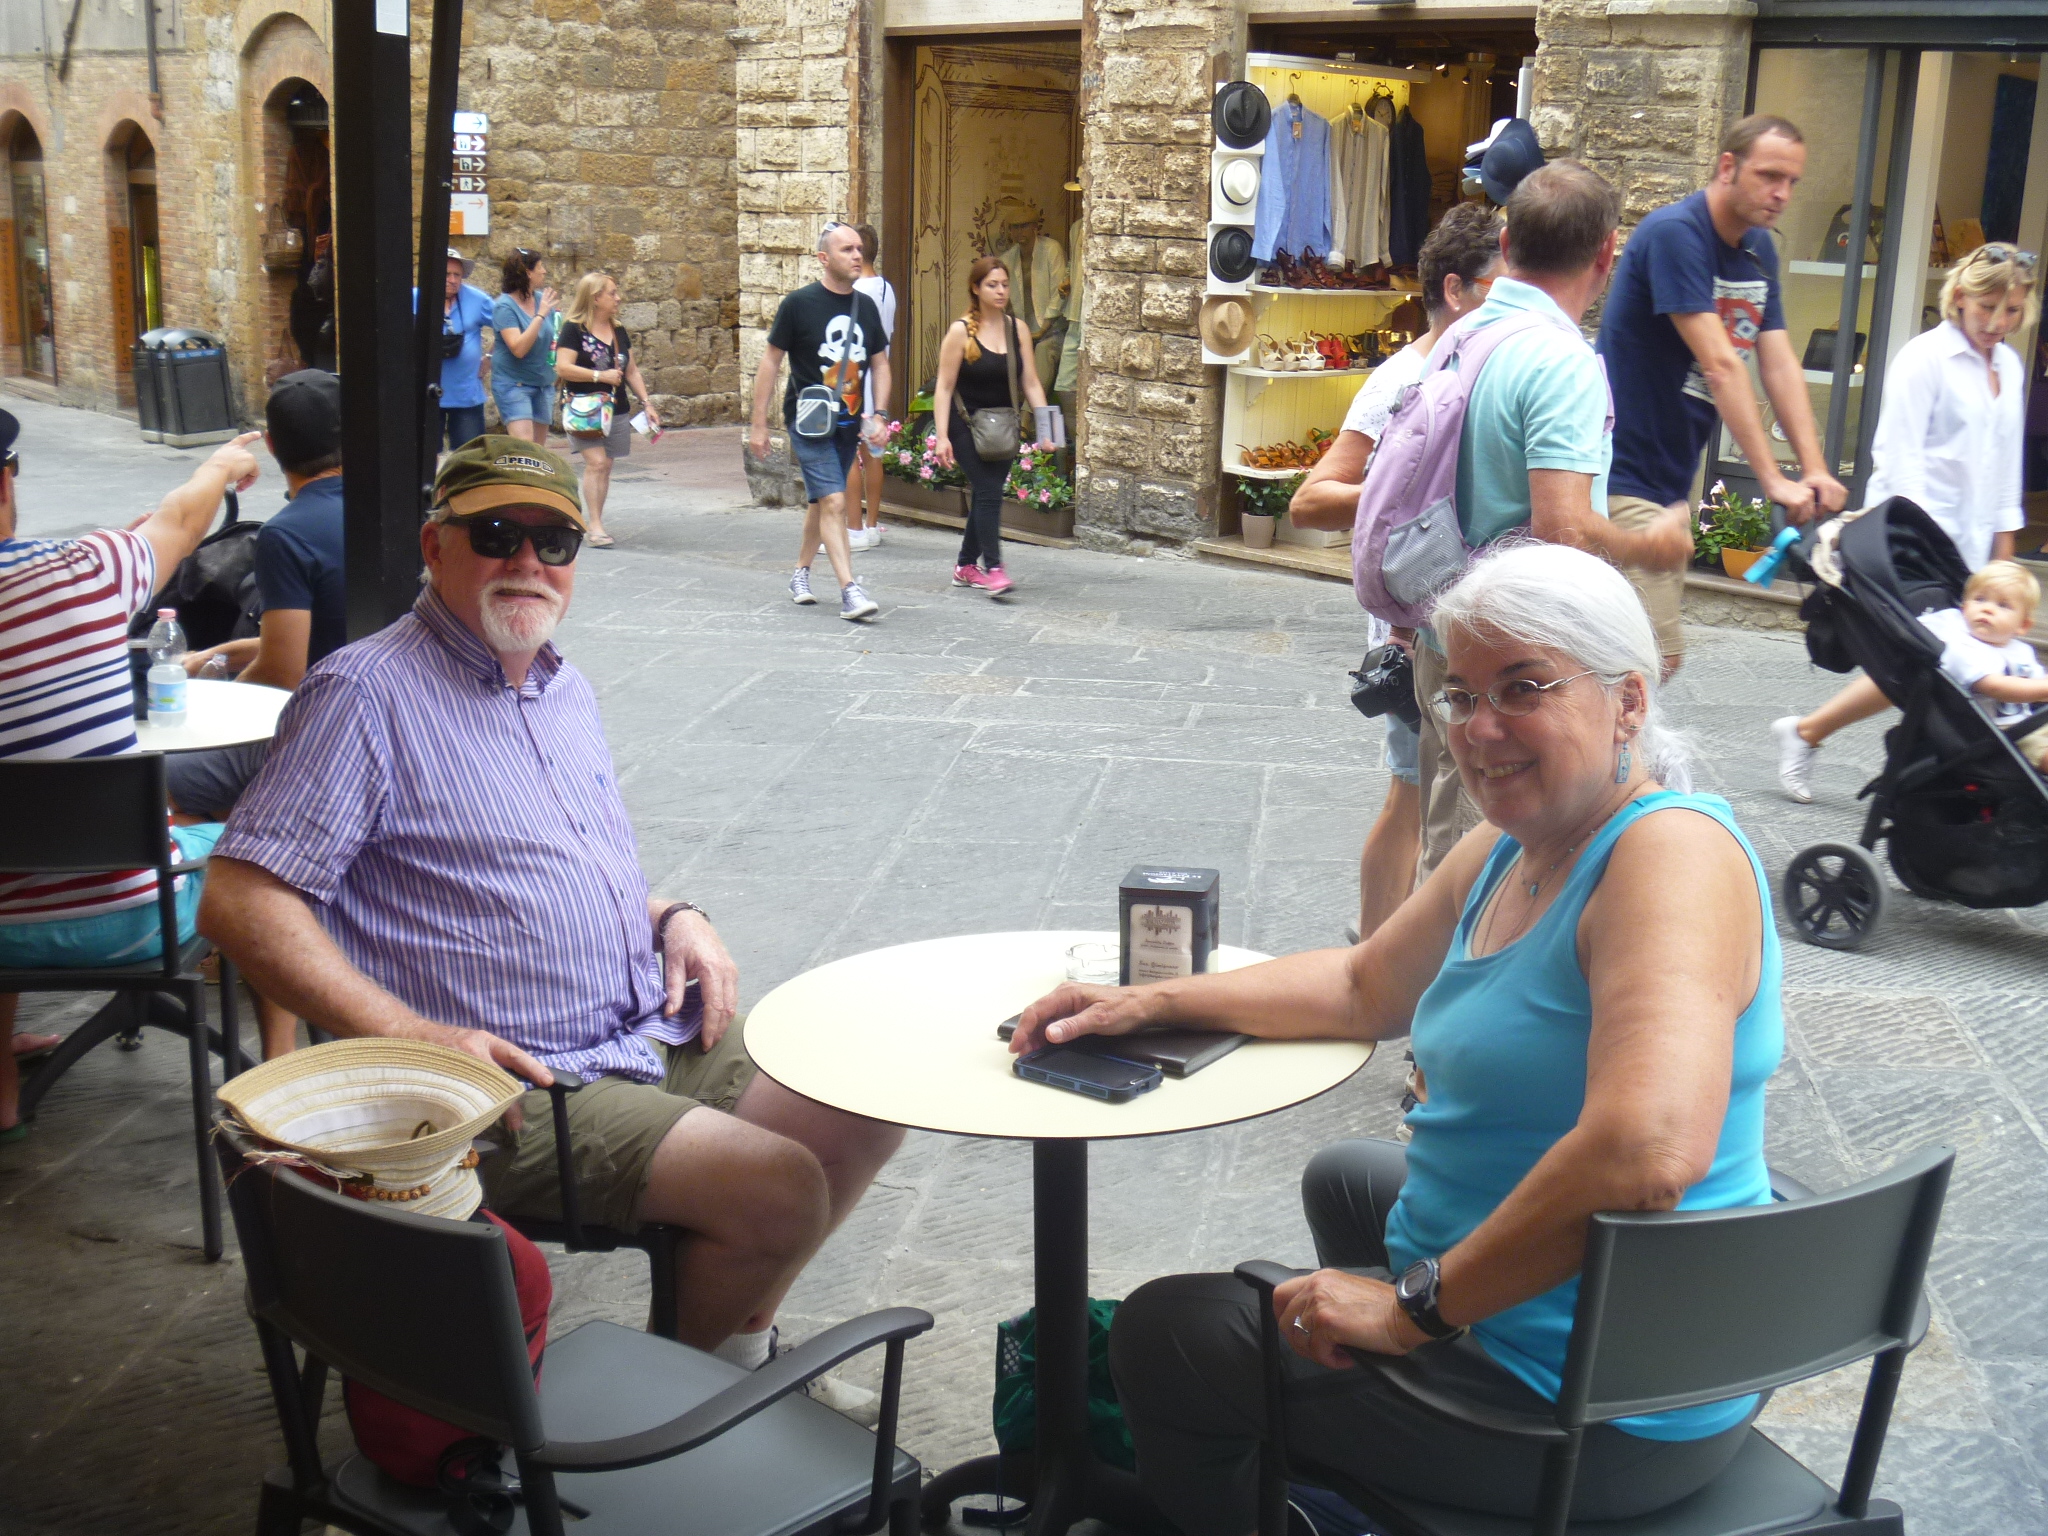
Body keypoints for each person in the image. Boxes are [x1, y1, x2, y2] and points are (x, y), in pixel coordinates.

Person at [1008, 542, 1780, 1531]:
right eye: (1457, 695)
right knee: (1345, 1177)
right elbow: (1362, 984)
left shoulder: (1668, 854)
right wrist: (1151, 1005)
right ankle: (1373, 1472)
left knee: (1167, 1334)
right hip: (1586, 1329)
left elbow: (1645, 1155)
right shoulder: (1510, 846)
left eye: (1523, 687)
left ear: (1627, 700)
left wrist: (1411, 1310)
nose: (1478, 728)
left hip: (1595, 1406)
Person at [197, 439, 903, 1411]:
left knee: (862, 1095)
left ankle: (732, 1362)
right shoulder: (363, 695)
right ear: (435, 546)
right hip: (500, 1089)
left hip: (634, 1022)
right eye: (496, 533)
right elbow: (240, 898)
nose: (527, 560)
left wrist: (673, 915)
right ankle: (677, 1425)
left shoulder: (558, 685)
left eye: (554, 540)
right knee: (774, 1185)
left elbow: (551, 863)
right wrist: (413, 1036)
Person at [1408, 161, 1694, 882]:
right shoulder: (1560, 361)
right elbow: (1561, 530)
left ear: (1507, 243)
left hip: (1446, 630)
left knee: (1451, 835)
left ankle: (1438, 953)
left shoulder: (1463, 336)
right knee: (1490, 859)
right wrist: (1647, 544)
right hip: (1512, 657)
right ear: (1606, 253)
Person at [0, 414, 263, 1139]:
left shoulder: (93, 562)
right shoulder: (92, 569)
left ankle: (2, 1091)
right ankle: (274, 1074)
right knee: (261, 844)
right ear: (5, 482)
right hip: (132, 922)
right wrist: (220, 465)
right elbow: (181, 519)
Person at [1291, 202, 1504, 942]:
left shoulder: (1477, 364)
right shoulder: (1404, 380)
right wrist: (1406, 492)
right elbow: (1310, 501)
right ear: (1455, 290)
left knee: (1414, 793)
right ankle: (1378, 956)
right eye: (1497, 285)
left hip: (1440, 628)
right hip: (1413, 635)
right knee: (1417, 794)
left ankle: (1373, 951)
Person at [1772, 244, 2039, 801]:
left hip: (1975, 547)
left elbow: (2006, 467)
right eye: (1987, 306)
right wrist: (1910, 551)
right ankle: (1900, 771)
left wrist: (2005, 556)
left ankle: (1813, 735)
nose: (1998, 322)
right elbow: (1898, 462)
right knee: (1936, 665)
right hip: (1920, 548)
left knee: (1940, 666)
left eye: (2012, 310)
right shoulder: (1925, 359)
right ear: (1959, 296)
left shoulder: (2010, 366)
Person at [1598, 115, 1847, 680]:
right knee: (1645, 662)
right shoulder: (1675, 235)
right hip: (1621, 474)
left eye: (1792, 181)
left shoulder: (1757, 248)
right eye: (1769, 176)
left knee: (1632, 664)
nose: (1782, 193)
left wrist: (1812, 467)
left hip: (1669, 481)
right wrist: (1772, 479)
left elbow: (1777, 361)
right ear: (1727, 167)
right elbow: (1721, 366)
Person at [169, 371, 348, 1061]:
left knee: (171, 782)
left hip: (317, 740)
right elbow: (319, 634)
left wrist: (216, 693)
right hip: (380, 724)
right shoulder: (390, 508)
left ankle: (268, 1025)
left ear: (272, 446)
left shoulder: (288, 533)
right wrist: (221, 652)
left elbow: (284, 671)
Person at [748, 222, 888, 622]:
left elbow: (880, 364)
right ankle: (850, 591)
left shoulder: (866, 307)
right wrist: (759, 423)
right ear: (824, 258)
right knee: (835, 501)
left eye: (859, 248)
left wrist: (880, 414)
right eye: (847, 249)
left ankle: (800, 573)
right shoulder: (799, 304)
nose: (857, 255)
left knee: (821, 500)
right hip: (809, 421)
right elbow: (771, 361)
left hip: (848, 424)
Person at [931, 256, 1052, 598]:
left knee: (990, 492)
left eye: (1005, 285)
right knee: (987, 490)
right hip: (964, 423)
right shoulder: (960, 331)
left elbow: (1031, 381)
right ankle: (994, 568)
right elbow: (944, 387)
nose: (1000, 291)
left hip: (1002, 424)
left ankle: (965, 565)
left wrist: (1048, 430)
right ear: (976, 288)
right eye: (992, 285)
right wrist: (942, 436)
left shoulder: (1018, 329)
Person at [555, 270, 659, 550]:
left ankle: (595, 519)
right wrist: (599, 376)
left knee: (607, 466)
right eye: (612, 293)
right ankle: (595, 526)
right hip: (584, 408)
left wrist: (646, 403)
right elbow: (563, 367)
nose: (618, 298)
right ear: (595, 298)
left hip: (616, 408)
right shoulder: (574, 329)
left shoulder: (618, 330)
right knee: (597, 463)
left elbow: (631, 370)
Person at [1916, 562, 2048, 768]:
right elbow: (1995, 687)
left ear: (2022, 625)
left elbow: (2039, 688)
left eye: (2003, 605)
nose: (1987, 608)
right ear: (1964, 608)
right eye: (1980, 599)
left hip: (2028, 722)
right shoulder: (1961, 647)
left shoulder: (2022, 650)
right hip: (1999, 734)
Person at [842, 224, 897, 552]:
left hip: (855, 381)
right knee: (874, 453)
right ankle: (872, 524)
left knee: (849, 454)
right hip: (879, 378)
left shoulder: (855, 292)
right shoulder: (886, 288)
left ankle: (853, 527)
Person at [994, 200, 1069, 387]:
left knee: (1043, 350)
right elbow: (1003, 302)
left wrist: (1043, 329)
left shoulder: (1051, 250)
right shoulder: (1007, 259)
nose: (1019, 232)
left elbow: (1059, 293)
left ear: (1035, 227)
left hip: (1054, 329)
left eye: (1024, 226)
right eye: (1014, 227)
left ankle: (1029, 406)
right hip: (1024, 330)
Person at [492, 247, 560, 446]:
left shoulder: (541, 300)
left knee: (537, 450)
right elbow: (518, 348)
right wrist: (540, 315)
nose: (544, 271)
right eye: (540, 267)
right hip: (514, 384)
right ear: (528, 273)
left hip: (542, 383)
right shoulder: (504, 306)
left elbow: (553, 337)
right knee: (524, 446)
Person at [436, 248, 495, 451]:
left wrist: (490, 357)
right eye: (446, 274)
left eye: (457, 275)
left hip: (466, 394)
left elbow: (507, 326)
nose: (452, 280)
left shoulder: (477, 299)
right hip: (426, 394)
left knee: (469, 456)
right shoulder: (416, 298)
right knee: (422, 456)